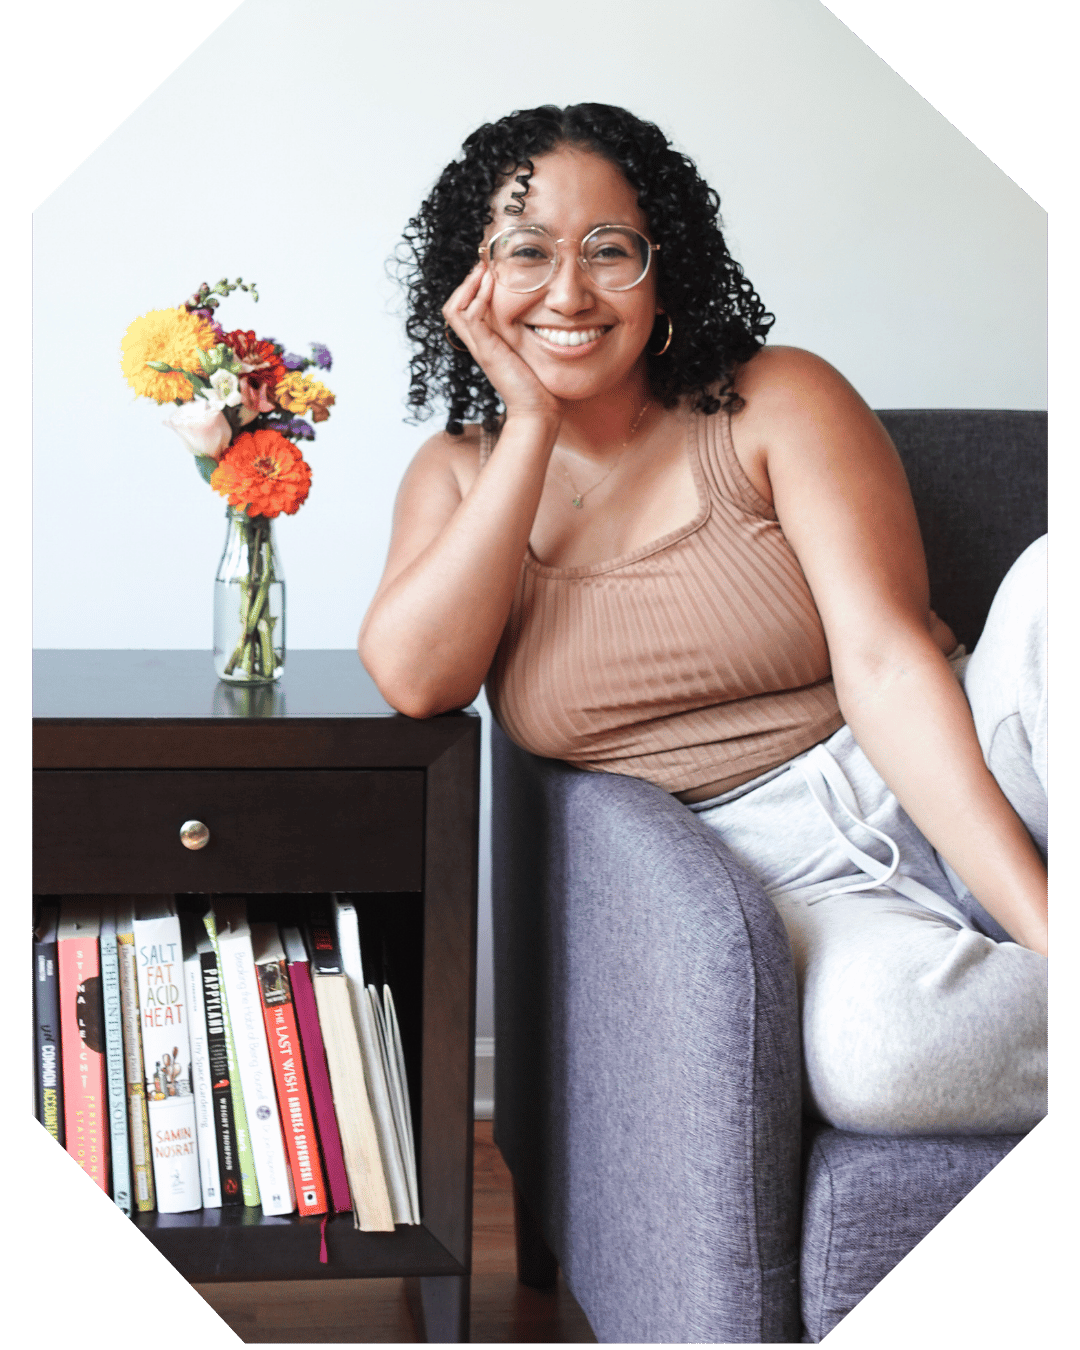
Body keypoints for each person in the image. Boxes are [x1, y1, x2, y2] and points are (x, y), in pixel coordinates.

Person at [359, 103, 1046, 1134]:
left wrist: (1038, 920)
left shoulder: (775, 398)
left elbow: (887, 664)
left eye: (609, 250)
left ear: (661, 264)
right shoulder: (460, 476)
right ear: (472, 282)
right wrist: (532, 424)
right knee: (886, 1060)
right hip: (787, 880)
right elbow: (419, 680)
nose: (569, 290)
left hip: (974, 759)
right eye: (527, 251)